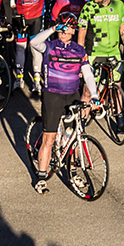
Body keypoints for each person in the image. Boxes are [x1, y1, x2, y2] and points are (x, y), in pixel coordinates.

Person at [29, 13, 99, 194]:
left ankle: (73, 172)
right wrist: (52, 28)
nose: (64, 31)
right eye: (61, 27)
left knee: (75, 135)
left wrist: (94, 95)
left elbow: (88, 73)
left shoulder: (79, 50)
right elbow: (33, 43)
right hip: (53, 96)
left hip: (72, 95)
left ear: (74, 30)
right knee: (49, 139)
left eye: (68, 28)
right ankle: (42, 177)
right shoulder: (50, 46)